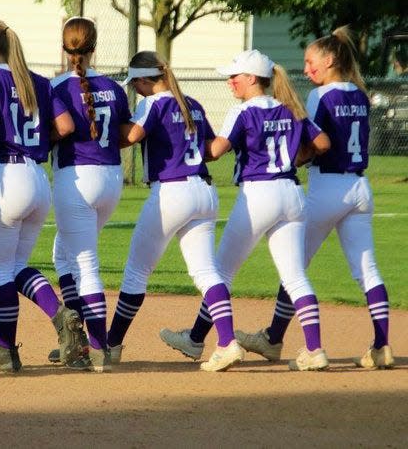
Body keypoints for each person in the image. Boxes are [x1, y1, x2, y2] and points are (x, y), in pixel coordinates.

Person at [236, 27, 395, 370]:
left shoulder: (320, 97)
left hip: (327, 188)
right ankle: (381, 345)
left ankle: (275, 339)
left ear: (330, 59)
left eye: (311, 62)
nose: (306, 70)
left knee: (294, 268)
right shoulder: (360, 94)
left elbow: (316, 145)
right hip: (359, 188)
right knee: (367, 271)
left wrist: (289, 160)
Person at [164, 49, 333, 371]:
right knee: (295, 276)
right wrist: (296, 157)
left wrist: (185, 145)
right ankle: (314, 349)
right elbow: (323, 143)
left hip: (259, 195)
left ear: (252, 78)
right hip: (292, 193)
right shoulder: (291, 108)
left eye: (235, 76)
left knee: (221, 273)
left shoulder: (242, 111)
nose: (230, 82)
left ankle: (206, 341)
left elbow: (216, 150)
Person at [113, 51, 245, 372]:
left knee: (136, 272)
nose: (136, 90)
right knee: (205, 273)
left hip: (171, 192)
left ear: (146, 80)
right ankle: (227, 342)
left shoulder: (153, 104)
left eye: (137, 84)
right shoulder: (192, 104)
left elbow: (130, 136)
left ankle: (110, 345)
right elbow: (212, 151)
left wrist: (105, 124)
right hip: (204, 191)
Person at [0, 18, 77, 372]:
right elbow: (65, 127)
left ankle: (5, 350)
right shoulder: (38, 80)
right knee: (15, 267)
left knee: (0, 270)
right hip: (37, 177)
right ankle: (60, 317)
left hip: (5, 175)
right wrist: (38, 139)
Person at [40, 17, 132, 373]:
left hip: (76, 176)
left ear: (65, 48)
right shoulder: (113, 87)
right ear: (94, 48)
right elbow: (124, 135)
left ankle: (97, 347)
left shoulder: (56, 87)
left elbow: (57, 130)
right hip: (111, 177)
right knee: (63, 254)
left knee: (83, 264)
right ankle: (77, 340)